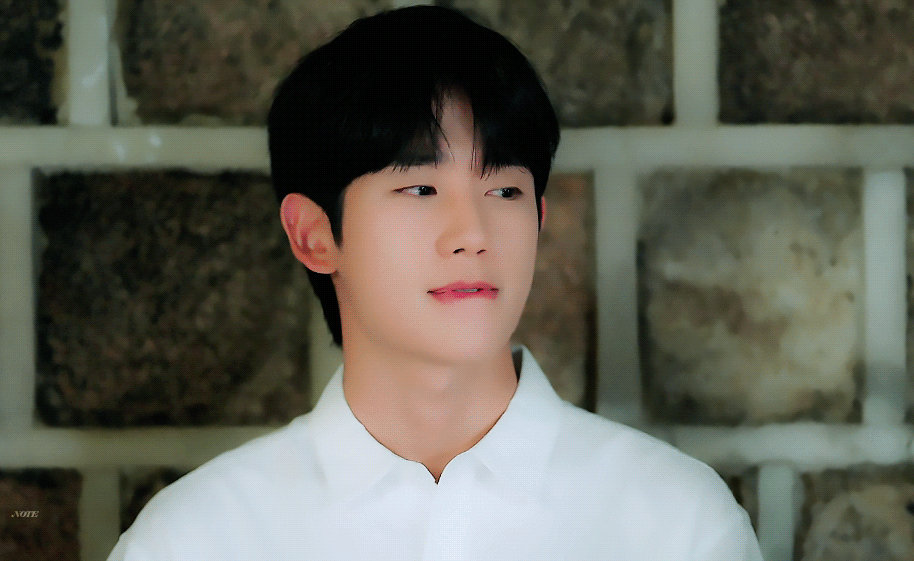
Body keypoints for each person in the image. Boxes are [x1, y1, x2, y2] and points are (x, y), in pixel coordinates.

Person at [107, 6, 763, 560]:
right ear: (314, 234)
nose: (471, 233)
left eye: (504, 190)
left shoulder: (675, 523)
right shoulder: (198, 538)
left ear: (539, 219)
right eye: (420, 189)